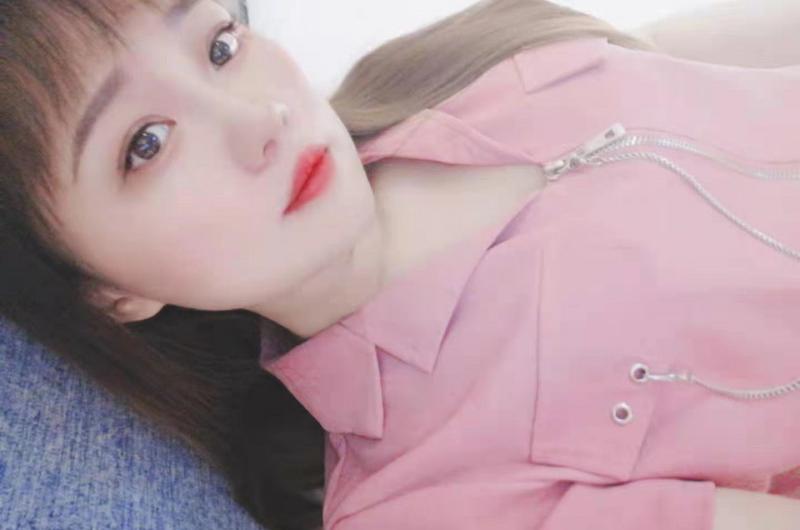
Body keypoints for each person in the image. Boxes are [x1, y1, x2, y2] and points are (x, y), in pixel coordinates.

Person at [1, 0, 799, 529]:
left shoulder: (452, 67)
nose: (256, 118)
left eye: (219, 47)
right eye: (146, 143)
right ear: (109, 293)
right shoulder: (433, 501)